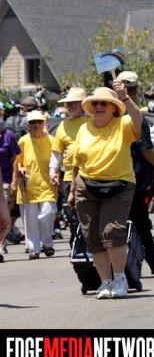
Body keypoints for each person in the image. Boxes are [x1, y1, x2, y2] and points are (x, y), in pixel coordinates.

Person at [68, 84, 142, 299]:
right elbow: (76, 162)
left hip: (119, 186)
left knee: (111, 232)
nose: (99, 106)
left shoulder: (124, 124)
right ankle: (105, 282)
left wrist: (126, 98)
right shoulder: (84, 128)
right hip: (86, 185)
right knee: (92, 236)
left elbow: (138, 120)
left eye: (104, 103)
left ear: (114, 108)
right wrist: (72, 189)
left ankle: (120, 279)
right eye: (95, 103)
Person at [115, 71, 154, 275]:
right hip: (132, 176)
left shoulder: (110, 116)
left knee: (137, 220)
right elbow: (145, 148)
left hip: (119, 175)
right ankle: (149, 261)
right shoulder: (134, 117)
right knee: (136, 220)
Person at [11, 110, 57, 260]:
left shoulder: (51, 140)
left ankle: (47, 243)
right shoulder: (23, 141)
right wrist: (20, 171)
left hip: (47, 185)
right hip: (29, 185)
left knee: (48, 213)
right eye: (32, 122)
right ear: (27, 125)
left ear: (44, 123)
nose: (36, 125)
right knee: (30, 219)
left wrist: (57, 175)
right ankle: (34, 248)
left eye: (39, 122)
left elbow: (57, 160)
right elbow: (17, 162)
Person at [50, 87, 89, 247]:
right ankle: (77, 245)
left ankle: (89, 246)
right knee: (72, 215)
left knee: (89, 214)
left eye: (73, 103)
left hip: (91, 175)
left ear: (83, 104)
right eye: (68, 103)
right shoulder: (63, 125)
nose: (69, 106)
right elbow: (56, 153)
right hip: (68, 178)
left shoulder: (93, 121)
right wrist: (53, 172)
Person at [0, 119, 21, 257]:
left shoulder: (9, 136)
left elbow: (15, 161)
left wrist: (14, 181)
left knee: (3, 214)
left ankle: (1, 244)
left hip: (5, 180)